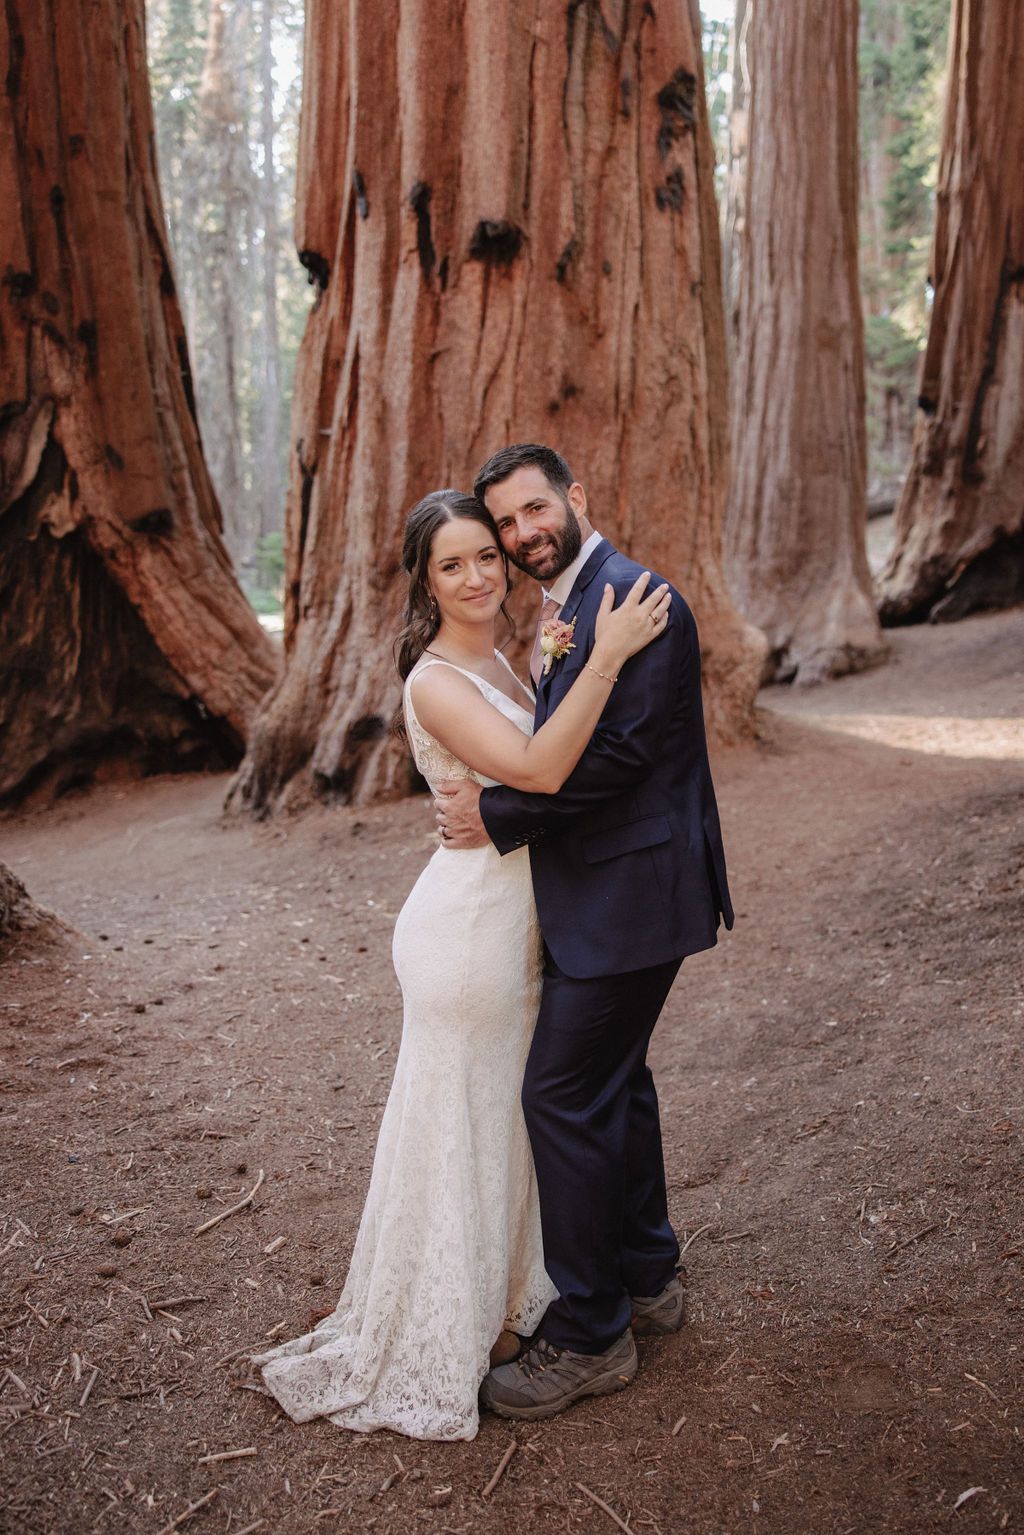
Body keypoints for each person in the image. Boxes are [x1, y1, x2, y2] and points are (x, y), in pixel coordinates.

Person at [248, 488, 670, 1440]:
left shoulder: (517, 655)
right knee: (470, 1118)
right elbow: (545, 772)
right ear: (424, 581)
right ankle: (449, 1321)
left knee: (514, 1115)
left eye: (488, 555)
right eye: (453, 564)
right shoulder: (437, 679)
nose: (479, 576)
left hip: (524, 918)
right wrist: (605, 657)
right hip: (471, 932)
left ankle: (519, 1299)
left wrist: (571, 659)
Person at [435, 444, 733, 1421]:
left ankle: (591, 1329)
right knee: (617, 1083)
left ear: (576, 494)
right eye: (505, 522)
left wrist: (499, 816)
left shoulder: (636, 597)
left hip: (633, 893)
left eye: (532, 509)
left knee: (559, 1093)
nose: (521, 533)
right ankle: (648, 1275)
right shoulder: (573, 604)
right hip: (609, 895)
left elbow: (613, 761)